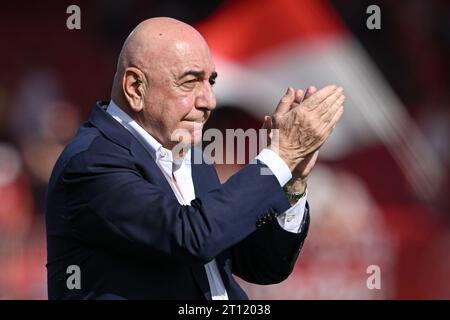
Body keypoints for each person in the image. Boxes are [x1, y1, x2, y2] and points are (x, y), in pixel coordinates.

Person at [45, 17, 345, 300]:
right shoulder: (92, 162)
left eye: (211, 82)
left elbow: (262, 265)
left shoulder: (193, 159)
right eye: (190, 82)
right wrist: (280, 156)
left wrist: (291, 180)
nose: (209, 101)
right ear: (136, 88)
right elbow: (190, 237)